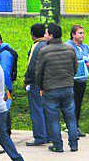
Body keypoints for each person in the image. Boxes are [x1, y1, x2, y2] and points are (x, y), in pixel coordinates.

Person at [27, 23, 79, 153]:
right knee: (70, 116)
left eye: (46, 33)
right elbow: (75, 68)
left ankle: (58, 145)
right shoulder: (70, 49)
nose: (45, 36)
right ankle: (74, 144)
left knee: (53, 118)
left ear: (51, 35)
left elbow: (38, 72)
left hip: (50, 89)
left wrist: (40, 86)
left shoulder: (44, 51)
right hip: (67, 87)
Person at [23, 22, 49, 146]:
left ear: (32, 35)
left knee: (37, 109)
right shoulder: (49, 44)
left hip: (37, 83)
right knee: (47, 109)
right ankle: (49, 134)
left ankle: (39, 136)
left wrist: (26, 80)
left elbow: (31, 65)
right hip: (49, 82)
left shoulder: (36, 46)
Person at [69, 25, 89, 133]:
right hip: (72, 80)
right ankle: (72, 126)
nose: (82, 36)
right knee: (72, 104)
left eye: (83, 33)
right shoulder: (68, 46)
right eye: (80, 33)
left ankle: (76, 125)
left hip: (82, 80)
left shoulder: (86, 47)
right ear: (73, 34)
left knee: (78, 103)